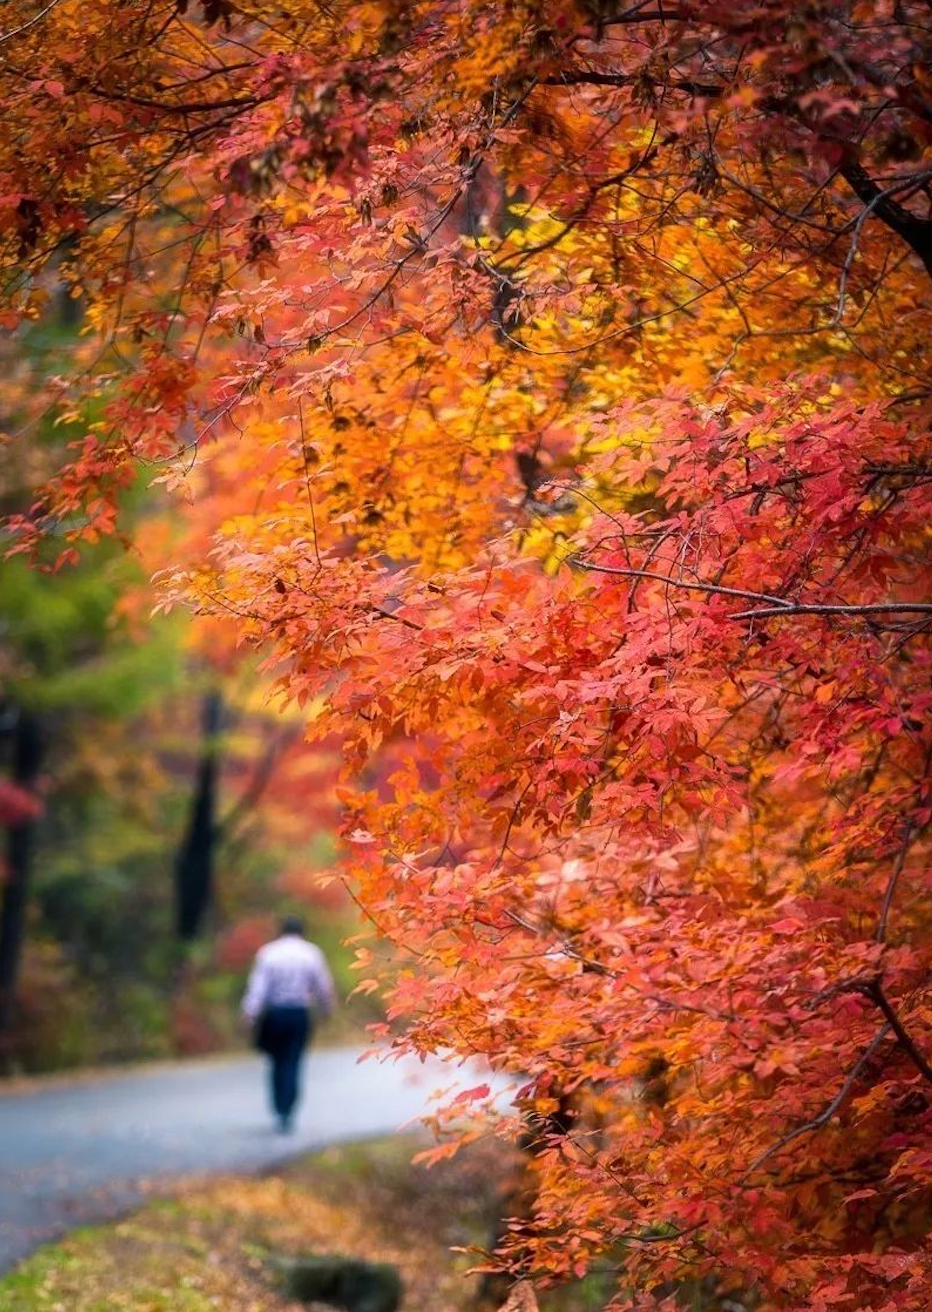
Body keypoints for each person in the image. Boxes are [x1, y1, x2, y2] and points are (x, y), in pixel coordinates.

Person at [241, 915, 336, 1132]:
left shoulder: (269, 953)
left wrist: (249, 1013)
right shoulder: (311, 953)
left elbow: (258, 988)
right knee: (294, 1059)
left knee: (276, 1060)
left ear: (281, 931)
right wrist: (326, 1008)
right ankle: (288, 1109)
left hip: (275, 1013)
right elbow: (323, 985)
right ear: (302, 931)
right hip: (299, 1013)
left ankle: (278, 1106)